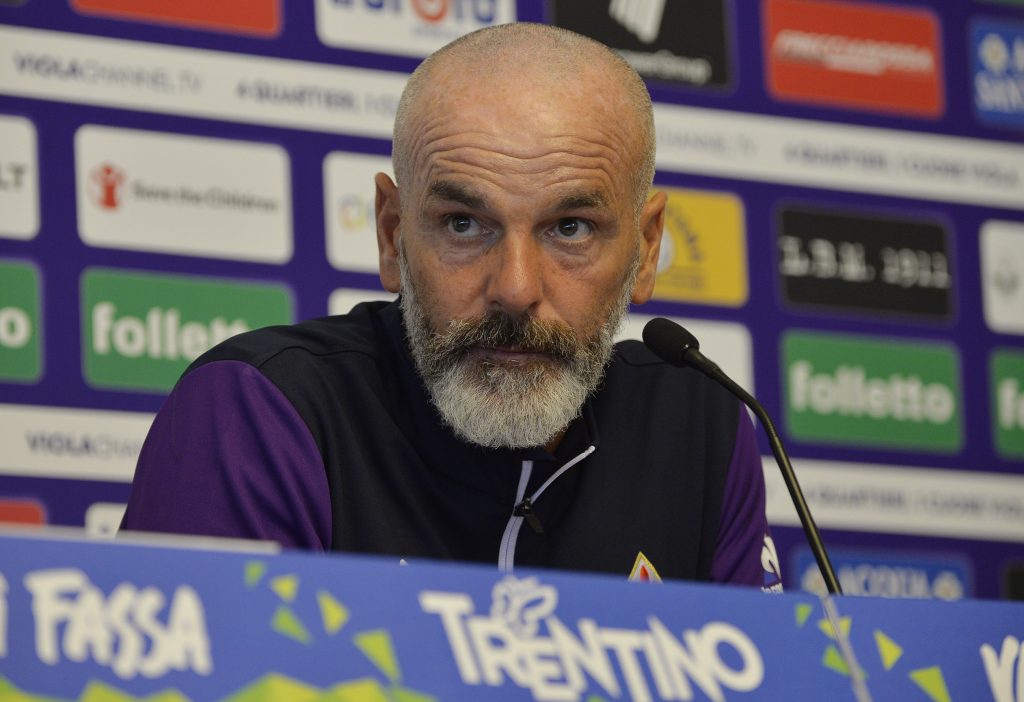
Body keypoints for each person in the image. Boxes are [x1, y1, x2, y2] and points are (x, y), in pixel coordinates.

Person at [121, 22, 780, 589]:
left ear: (646, 248)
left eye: (570, 228)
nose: (515, 289)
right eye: (464, 224)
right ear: (392, 235)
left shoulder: (699, 429)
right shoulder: (262, 412)